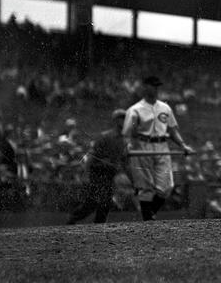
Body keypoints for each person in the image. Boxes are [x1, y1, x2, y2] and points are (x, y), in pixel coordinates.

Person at [123, 75, 193, 221]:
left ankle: (149, 215)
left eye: (157, 86)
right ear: (144, 87)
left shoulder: (165, 108)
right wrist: (128, 145)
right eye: (152, 85)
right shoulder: (135, 109)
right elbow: (127, 134)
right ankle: (148, 219)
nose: (155, 89)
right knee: (145, 186)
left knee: (166, 186)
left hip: (162, 145)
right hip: (143, 146)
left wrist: (183, 145)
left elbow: (173, 130)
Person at [67, 109, 135, 224]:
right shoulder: (106, 136)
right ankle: (73, 220)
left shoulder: (124, 140)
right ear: (116, 121)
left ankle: (98, 226)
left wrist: (132, 180)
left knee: (105, 203)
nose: (124, 121)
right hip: (98, 172)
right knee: (95, 202)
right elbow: (92, 155)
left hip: (109, 174)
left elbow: (124, 162)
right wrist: (86, 173)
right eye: (122, 118)